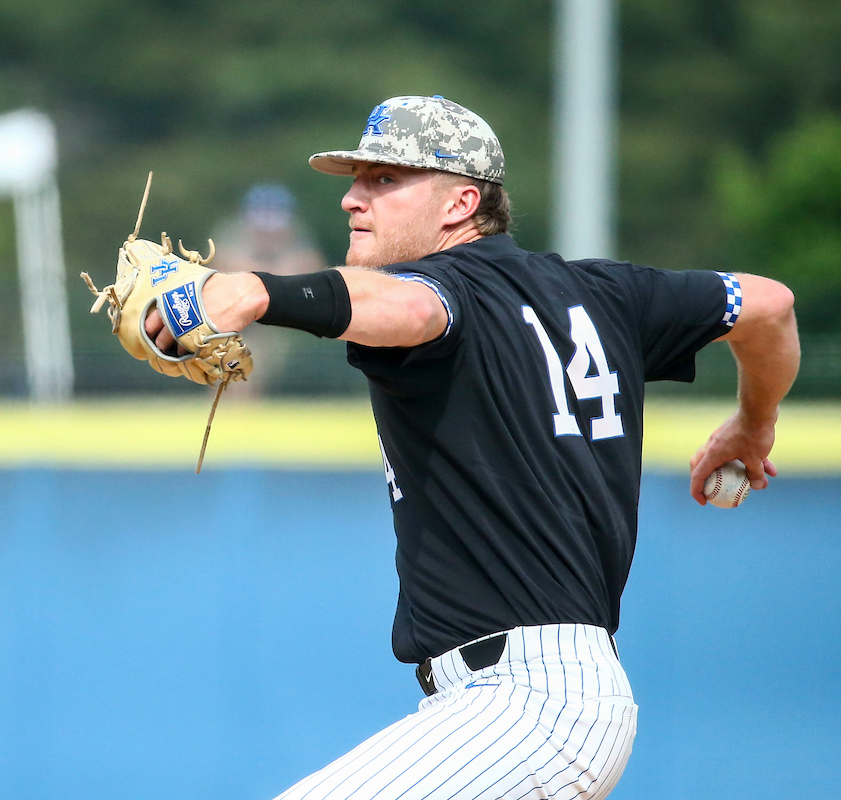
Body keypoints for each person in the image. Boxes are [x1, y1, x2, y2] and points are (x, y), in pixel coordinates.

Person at [145, 95, 799, 799]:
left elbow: (414, 309)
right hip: (526, 705)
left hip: (525, 707)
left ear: (461, 202)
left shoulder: (440, 288)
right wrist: (753, 422)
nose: (353, 200)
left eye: (384, 182)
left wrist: (253, 291)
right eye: (356, 180)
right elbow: (768, 305)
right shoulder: (608, 292)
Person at [210, 183, 325, 396]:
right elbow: (222, 269)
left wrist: (258, 274)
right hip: (240, 325)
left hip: (283, 326)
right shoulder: (232, 234)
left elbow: (313, 272)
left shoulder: (298, 238)